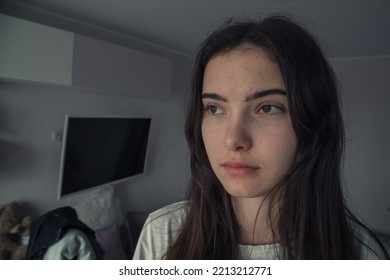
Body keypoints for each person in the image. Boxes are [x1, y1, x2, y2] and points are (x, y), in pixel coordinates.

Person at [133, 15, 389, 260]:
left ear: (313, 123)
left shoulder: (363, 256)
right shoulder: (162, 234)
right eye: (214, 108)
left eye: (267, 108)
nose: (233, 140)